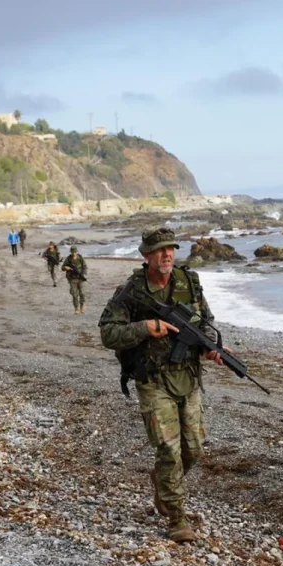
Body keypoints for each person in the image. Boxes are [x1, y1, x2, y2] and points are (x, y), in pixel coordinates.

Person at [98, 227, 226, 543]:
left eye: (170, 248)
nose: (166, 255)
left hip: (188, 377)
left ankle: (163, 482)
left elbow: (206, 325)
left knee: (192, 449)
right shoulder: (131, 291)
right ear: (146, 255)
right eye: (159, 250)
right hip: (152, 380)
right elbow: (107, 334)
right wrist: (145, 326)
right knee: (169, 449)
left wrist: (213, 348)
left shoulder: (189, 284)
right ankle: (176, 519)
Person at [61, 246, 88, 314]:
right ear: (71, 252)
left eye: (75, 252)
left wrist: (83, 274)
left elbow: (85, 267)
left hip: (80, 278)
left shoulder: (80, 258)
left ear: (77, 251)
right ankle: (76, 308)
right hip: (72, 279)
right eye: (72, 252)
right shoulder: (68, 259)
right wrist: (66, 268)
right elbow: (62, 267)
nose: (74, 253)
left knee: (82, 293)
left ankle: (82, 306)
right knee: (74, 294)